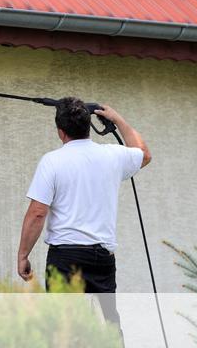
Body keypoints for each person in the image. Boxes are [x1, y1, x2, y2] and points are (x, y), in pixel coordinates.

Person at [16, 96, 151, 332]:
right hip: (102, 258)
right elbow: (143, 153)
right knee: (108, 327)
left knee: (64, 331)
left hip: (65, 258)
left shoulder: (52, 161)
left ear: (60, 131)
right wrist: (117, 119)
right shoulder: (113, 155)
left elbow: (38, 213)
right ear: (89, 125)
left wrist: (23, 255)